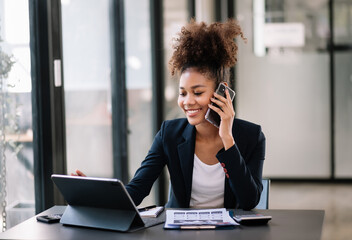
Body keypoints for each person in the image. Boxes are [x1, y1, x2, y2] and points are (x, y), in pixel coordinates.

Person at [73, 19, 265, 210]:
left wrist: (227, 140)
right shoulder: (170, 133)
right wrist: (94, 192)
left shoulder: (251, 136)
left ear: (221, 93)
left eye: (197, 92)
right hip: (180, 231)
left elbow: (249, 201)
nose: (187, 101)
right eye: (182, 93)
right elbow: (136, 191)